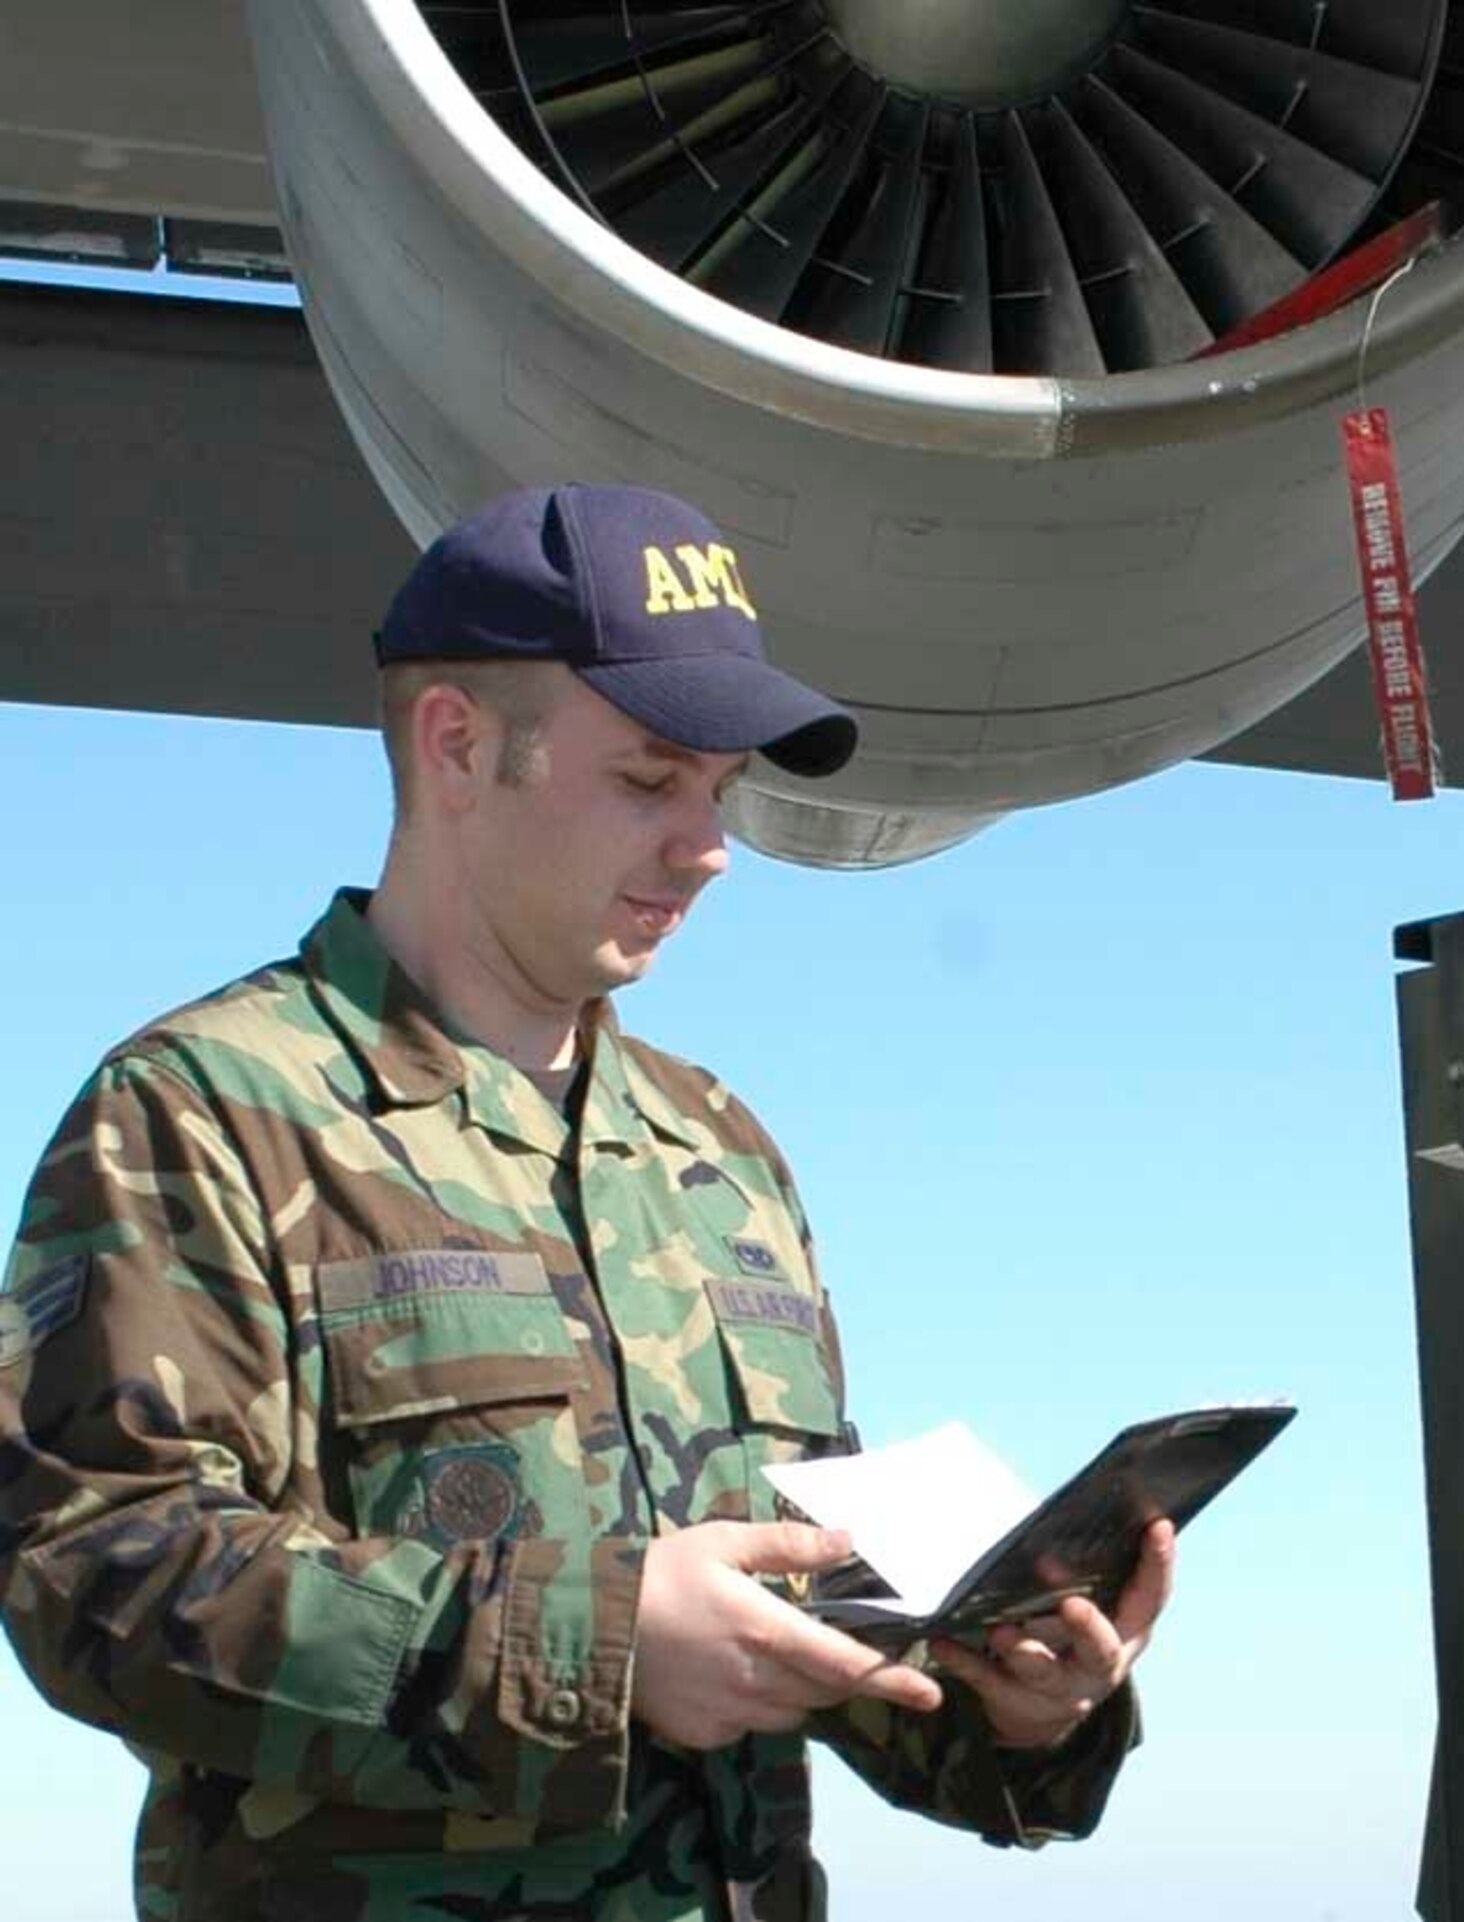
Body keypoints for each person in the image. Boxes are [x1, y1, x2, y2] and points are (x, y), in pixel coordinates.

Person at [0, 484, 1173, 1922]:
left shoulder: (719, 1150)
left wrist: (1003, 1695)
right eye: (650, 779)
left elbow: (804, 1615)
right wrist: (596, 1650)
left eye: (720, 791)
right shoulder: (206, 1111)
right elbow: (98, 1573)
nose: (708, 845)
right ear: (457, 744)